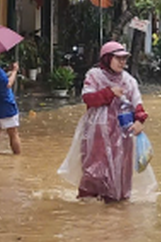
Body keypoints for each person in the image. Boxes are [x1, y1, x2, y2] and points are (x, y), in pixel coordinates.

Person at [58, 41, 155, 202]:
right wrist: (109, 93)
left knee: (121, 168)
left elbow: (138, 104)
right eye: (118, 58)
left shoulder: (129, 80)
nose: (122, 62)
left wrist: (139, 121)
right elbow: (88, 98)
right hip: (96, 131)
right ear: (107, 58)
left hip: (122, 132)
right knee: (94, 166)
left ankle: (116, 203)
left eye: (124, 59)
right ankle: (89, 201)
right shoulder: (94, 75)